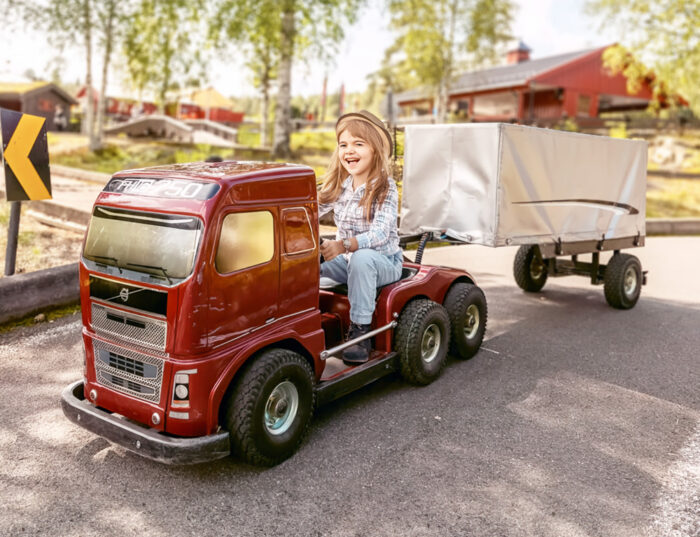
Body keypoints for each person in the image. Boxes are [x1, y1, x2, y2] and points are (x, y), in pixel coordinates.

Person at [318, 110, 403, 364]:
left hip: (383, 263)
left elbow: (380, 234)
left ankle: (360, 332)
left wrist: (344, 245)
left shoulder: (385, 187)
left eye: (358, 144)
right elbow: (310, 209)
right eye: (343, 144)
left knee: (362, 258)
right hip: (347, 262)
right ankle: (299, 317)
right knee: (305, 257)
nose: (349, 151)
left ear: (375, 149)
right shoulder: (338, 186)